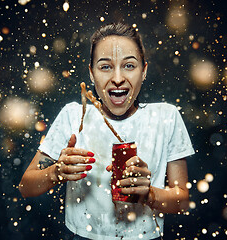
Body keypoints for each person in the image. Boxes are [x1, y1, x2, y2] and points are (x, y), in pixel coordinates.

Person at [19, 22, 194, 240]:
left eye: (129, 65)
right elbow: (26, 186)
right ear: (91, 74)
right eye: (105, 67)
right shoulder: (73, 116)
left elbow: (183, 201)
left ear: (144, 71)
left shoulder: (166, 118)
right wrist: (56, 172)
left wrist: (149, 194)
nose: (118, 77)